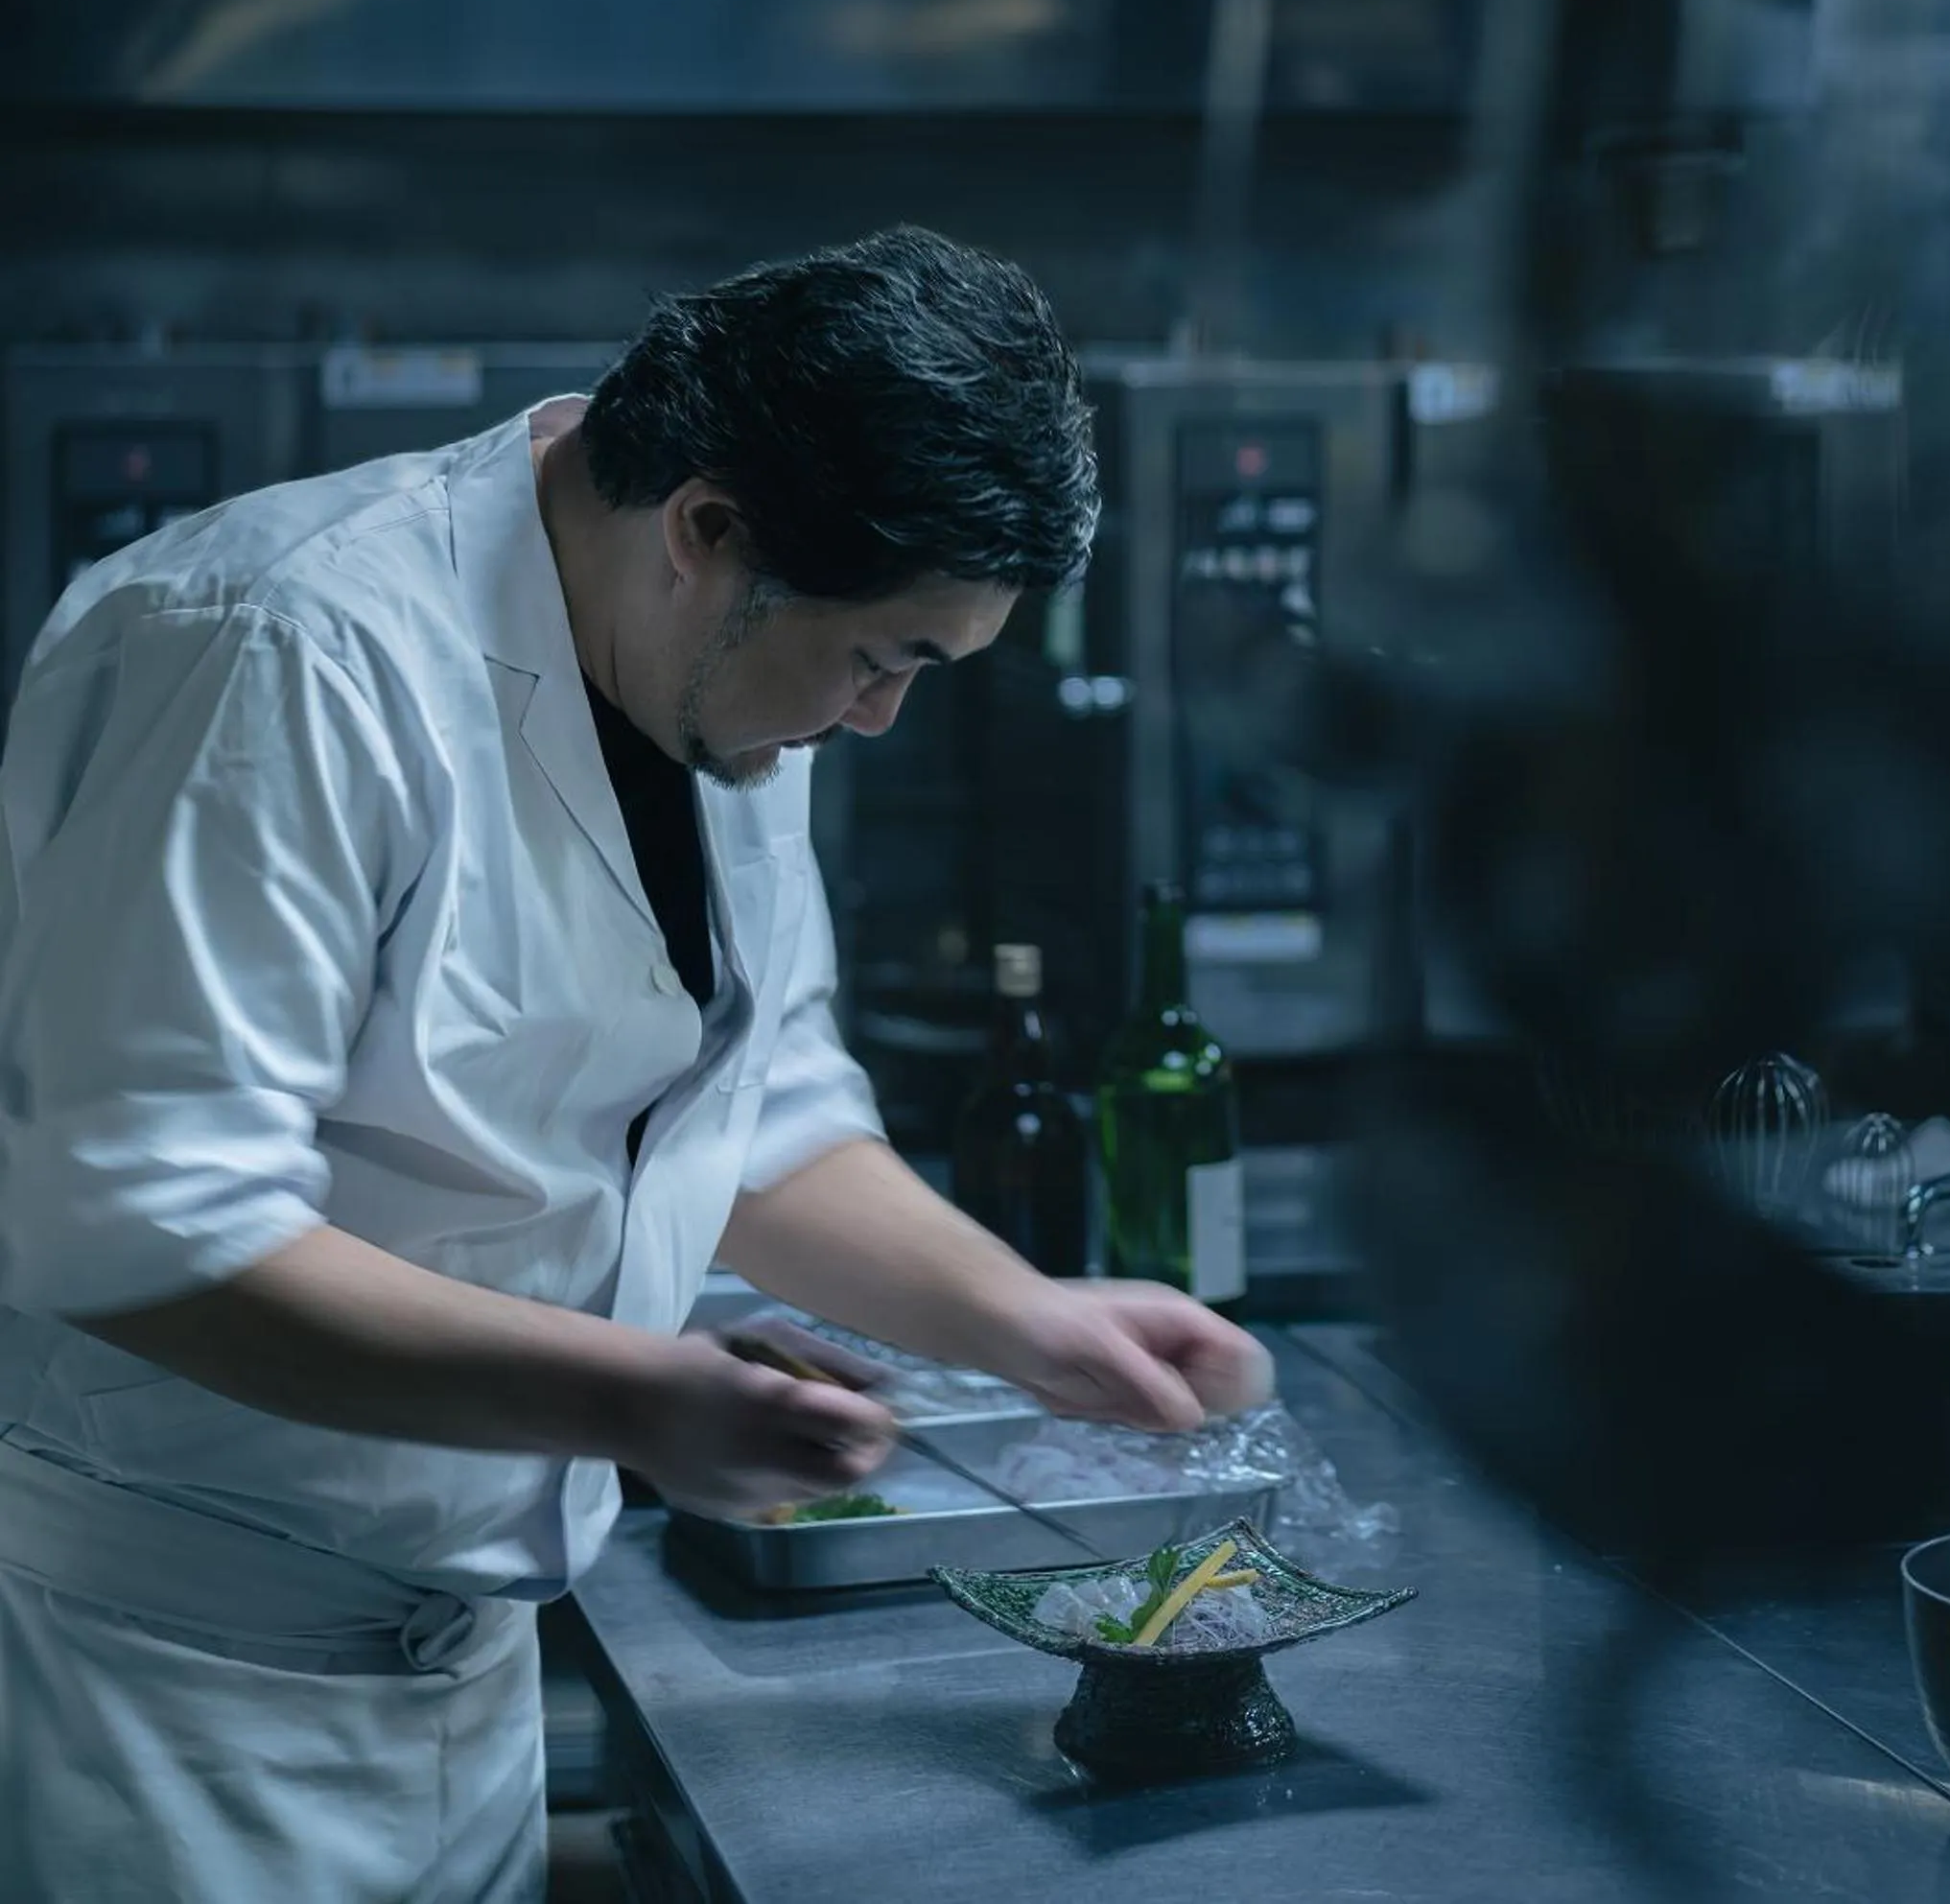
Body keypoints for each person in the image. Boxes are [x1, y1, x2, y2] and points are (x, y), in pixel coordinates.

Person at [0, 225, 1271, 1900]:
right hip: (164, 1687)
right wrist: (637, 1397)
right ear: (708, 529)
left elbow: (764, 1125)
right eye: (886, 658)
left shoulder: (720, 675)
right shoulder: (280, 647)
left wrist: (1020, 1318)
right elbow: (141, 1229)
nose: (880, 718)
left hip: (466, 1670)